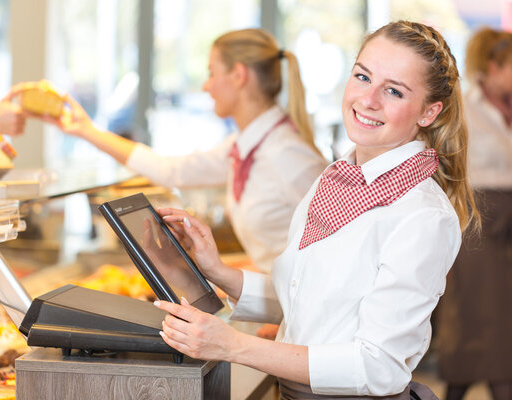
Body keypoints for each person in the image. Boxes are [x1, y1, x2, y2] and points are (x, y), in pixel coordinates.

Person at [153, 20, 479, 398]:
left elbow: (378, 366)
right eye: (362, 77)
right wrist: (217, 271)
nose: (368, 99)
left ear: (429, 112)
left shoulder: (423, 215)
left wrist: (233, 346)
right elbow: (308, 300)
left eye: (393, 90)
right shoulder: (336, 177)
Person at [31, 28, 327, 280]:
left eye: (211, 73)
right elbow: (170, 170)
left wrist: (286, 315)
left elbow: (331, 258)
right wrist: (86, 130)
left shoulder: (287, 154)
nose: (205, 85)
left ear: (238, 75)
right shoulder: (245, 146)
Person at [434, 27, 512, 400]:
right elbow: (448, 169)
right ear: (493, 65)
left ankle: (504, 390)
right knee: (469, 313)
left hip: (511, 220)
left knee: (510, 315)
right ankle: (457, 387)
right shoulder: (464, 109)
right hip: (475, 220)